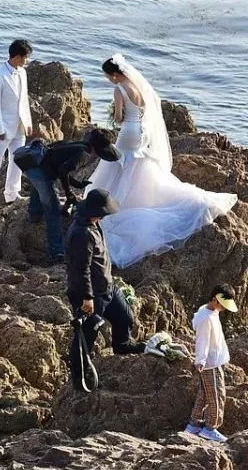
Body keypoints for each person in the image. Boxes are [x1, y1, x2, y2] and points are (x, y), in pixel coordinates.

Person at [86, 55, 237, 267]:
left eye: (108, 76)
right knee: (134, 164)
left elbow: (119, 117)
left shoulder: (120, 89)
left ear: (115, 74)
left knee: (118, 163)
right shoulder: (138, 87)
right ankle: (130, 198)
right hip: (141, 133)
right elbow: (144, 112)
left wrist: (115, 115)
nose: (109, 79)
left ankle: (118, 202)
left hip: (128, 132)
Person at [65, 189, 146, 365]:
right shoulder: (81, 234)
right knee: (87, 333)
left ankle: (122, 345)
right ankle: (79, 372)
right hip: (92, 293)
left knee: (124, 318)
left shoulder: (92, 223)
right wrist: (87, 297)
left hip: (107, 286)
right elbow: (80, 269)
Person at [18, 128, 122, 265]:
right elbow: (62, 171)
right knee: (52, 209)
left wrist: (77, 184)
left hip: (34, 164)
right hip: (39, 170)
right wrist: (69, 194)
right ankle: (56, 252)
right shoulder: (83, 155)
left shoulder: (78, 146)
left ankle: (34, 213)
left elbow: (62, 168)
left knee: (39, 188)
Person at [0, 39, 33, 217]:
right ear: (17, 56)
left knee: (17, 161)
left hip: (19, 127)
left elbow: (23, 100)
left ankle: (12, 193)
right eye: (25, 57)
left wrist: (28, 123)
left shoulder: (22, 72)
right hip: (2, 129)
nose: (27, 60)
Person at [184, 285, 237, 443]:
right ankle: (210, 428)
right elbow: (203, 341)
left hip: (213, 360)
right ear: (214, 300)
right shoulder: (206, 319)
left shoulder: (207, 310)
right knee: (217, 395)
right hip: (210, 363)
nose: (224, 308)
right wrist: (200, 360)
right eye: (222, 304)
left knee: (205, 394)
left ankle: (193, 425)